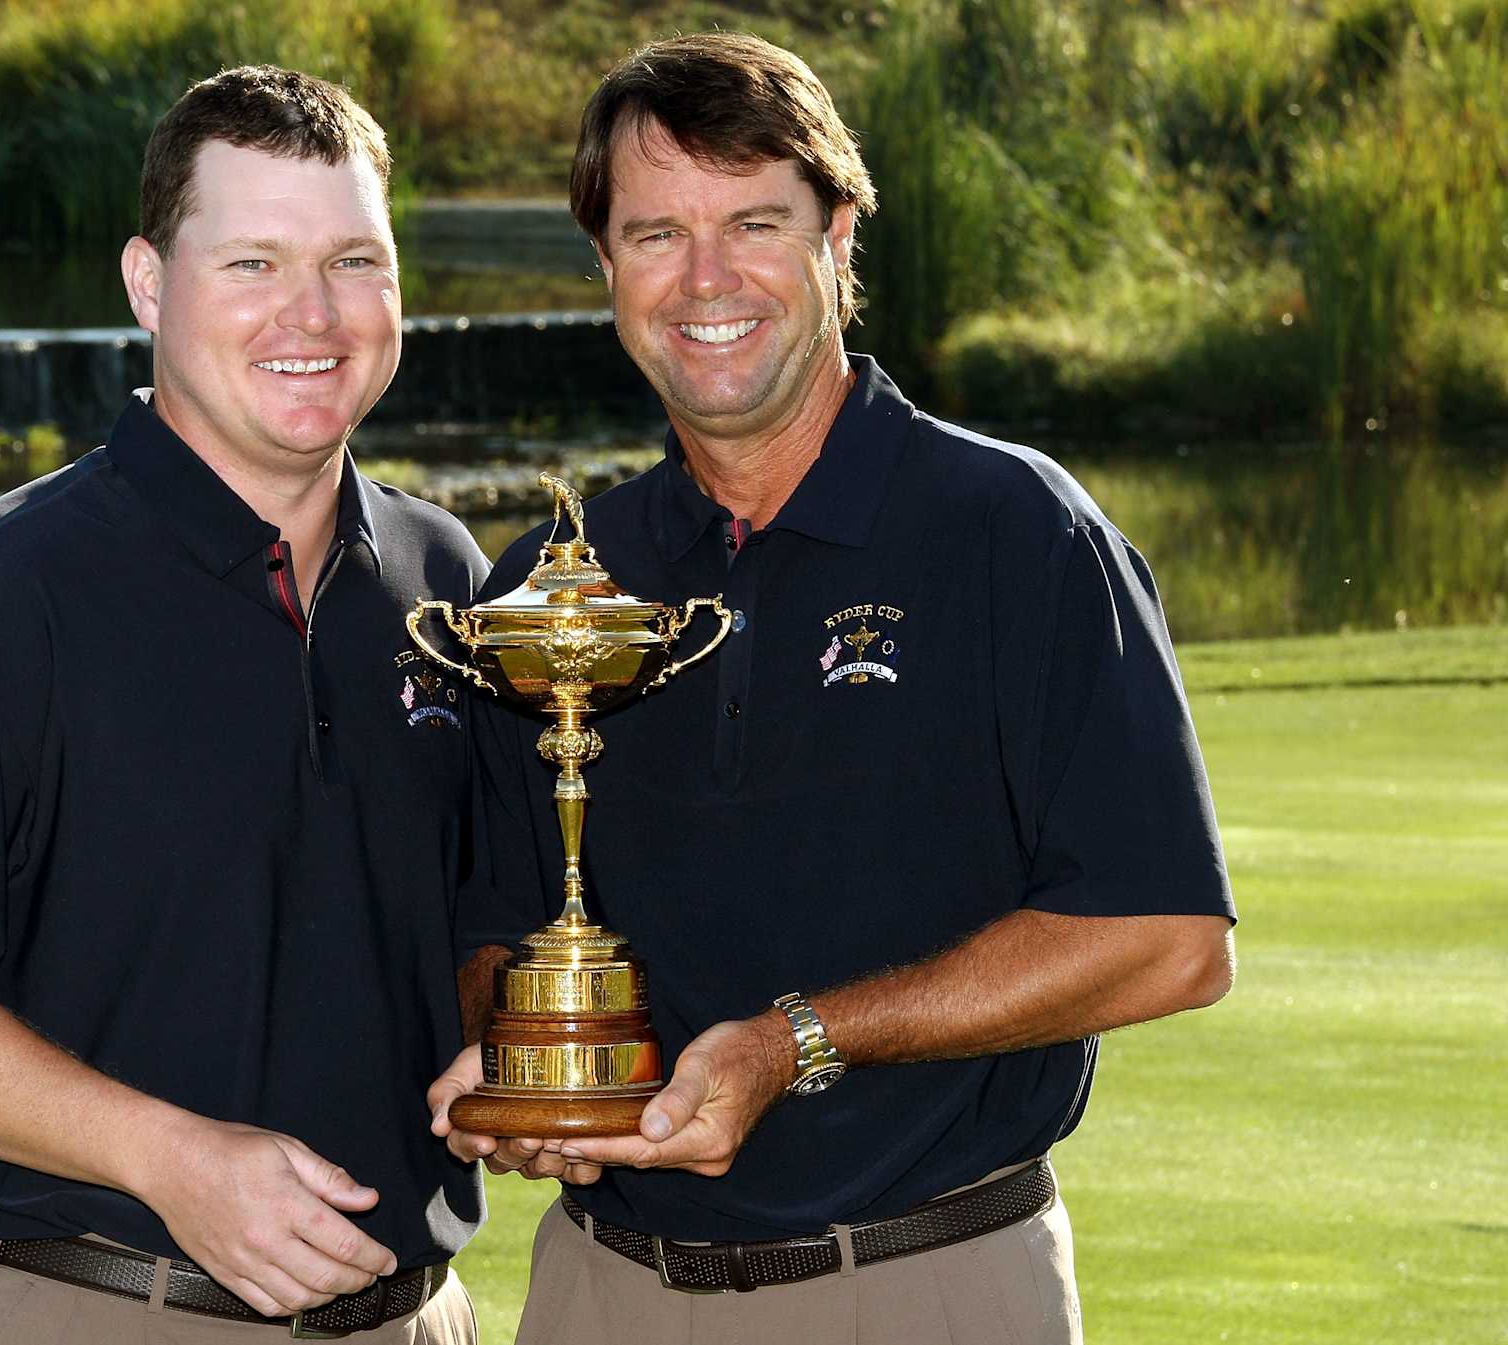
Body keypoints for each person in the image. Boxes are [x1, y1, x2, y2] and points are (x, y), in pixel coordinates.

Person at [429, 32, 1236, 1345]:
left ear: (839, 237)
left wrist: (793, 1042)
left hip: (924, 1285)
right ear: (605, 265)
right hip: (602, 1293)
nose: (706, 280)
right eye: (654, 234)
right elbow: (495, 919)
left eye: (755, 222)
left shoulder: (1014, 531)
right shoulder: (558, 585)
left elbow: (1168, 938)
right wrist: (518, 1068)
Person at [0, 66, 486, 1344]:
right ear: (149, 283)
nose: (313, 312)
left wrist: (509, 1037)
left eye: (354, 261)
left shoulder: (448, 582)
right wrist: (171, 1158)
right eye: (253, 263)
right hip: (100, 1307)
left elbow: (485, 912)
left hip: (419, 1319)